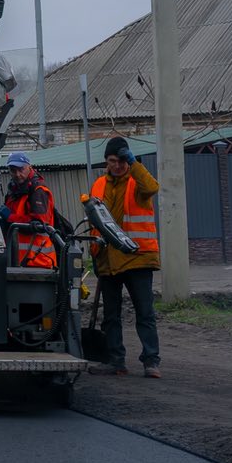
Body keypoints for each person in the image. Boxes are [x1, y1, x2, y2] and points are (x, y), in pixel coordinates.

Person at [88, 137, 161, 378]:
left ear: (128, 160)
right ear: (106, 161)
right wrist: (95, 253)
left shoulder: (137, 181)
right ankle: (115, 360)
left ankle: (151, 361)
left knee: (145, 313)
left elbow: (152, 187)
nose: (118, 165)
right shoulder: (99, 184)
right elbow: (95, 220)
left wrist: (135, 164)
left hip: (138, 258)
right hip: (109, 259)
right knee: (111, 315)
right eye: (113, 161)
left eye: (122, 161)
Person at [1, 152, 57, 269]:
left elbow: (39, 224)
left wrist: (10, 217)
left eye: (21, 169)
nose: (18, 174)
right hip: (19, 259)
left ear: (29, 167)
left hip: (38, 259)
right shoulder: (14, 190)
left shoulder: (38, 191)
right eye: (13, 170)